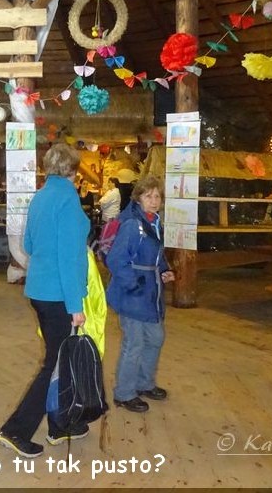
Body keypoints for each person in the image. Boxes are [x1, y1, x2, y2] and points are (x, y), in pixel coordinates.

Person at [0, 143, 90, 458]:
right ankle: (16, 430)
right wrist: (76, 305)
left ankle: (60, 425)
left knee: (61, 362)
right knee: (54, 364)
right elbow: (70, 258)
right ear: (73, 170)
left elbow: (29, 244)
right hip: (59, 295)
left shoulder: (40, 197)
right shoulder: (69, 201)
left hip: (39, 289)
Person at [105, 175, 174, 413]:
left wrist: (164, 270)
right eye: (148, 196)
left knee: (155, 338)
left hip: (150, 293)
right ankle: (124, 393)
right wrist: (133, 285)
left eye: (157, 196)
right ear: (138, 198)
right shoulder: (133, 225)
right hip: (133, 293)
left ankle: (144, 383)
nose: (154, 201)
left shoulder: (154, 222)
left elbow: (156, 255)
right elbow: (116, 260)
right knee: (133, 343)